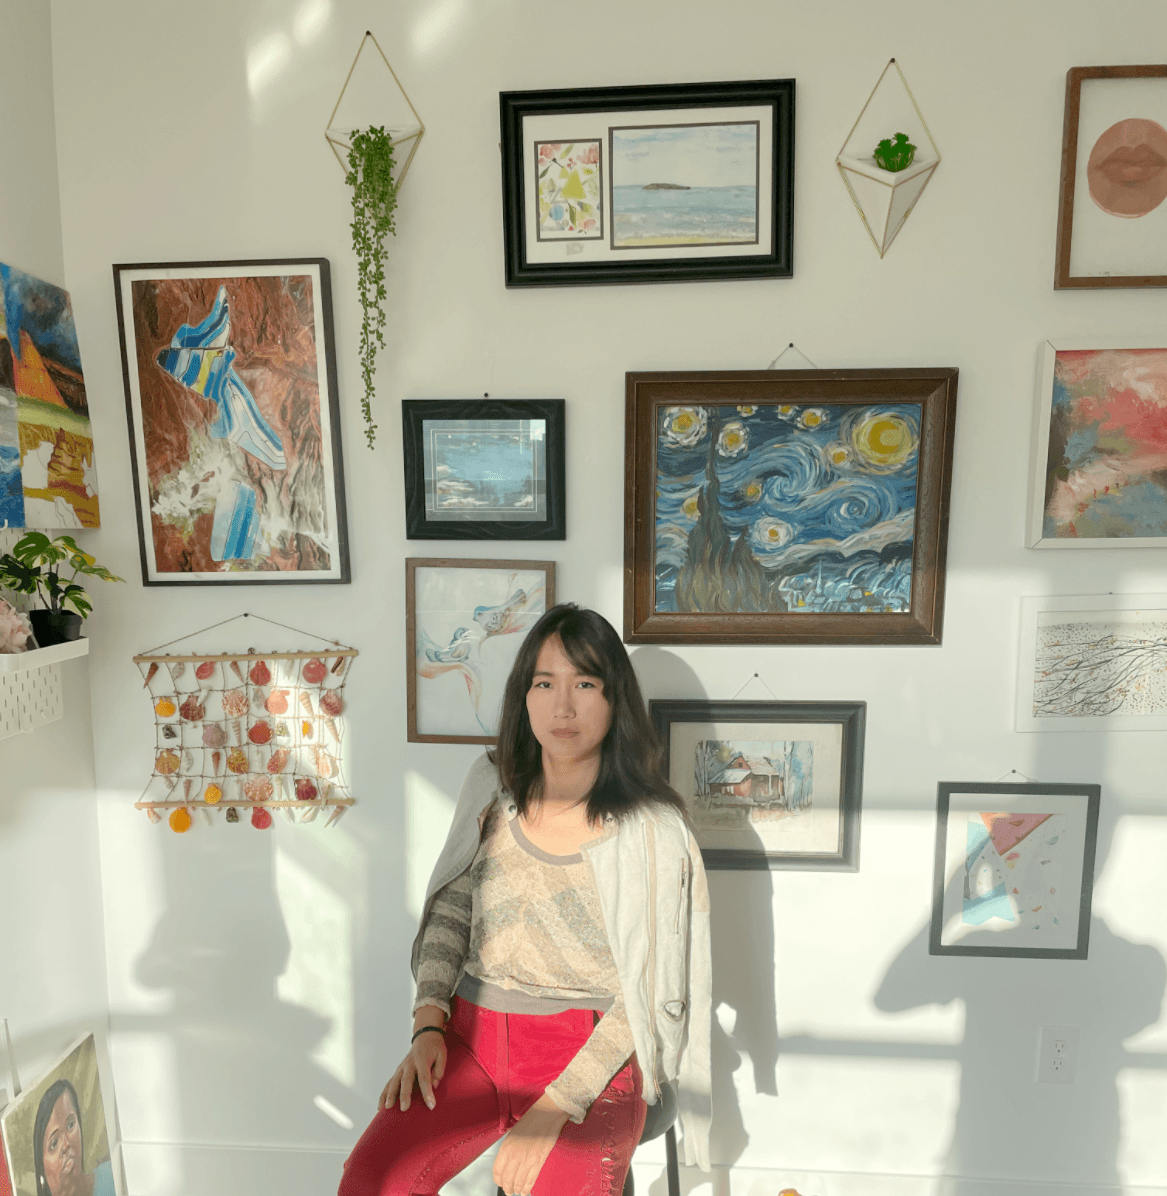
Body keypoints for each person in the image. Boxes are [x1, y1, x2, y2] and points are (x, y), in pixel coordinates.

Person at [340, 604, 712, 1196]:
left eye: (585, 684)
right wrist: (428, 1025)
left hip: (596, 1053)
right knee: (372, 1181)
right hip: (471, 1040)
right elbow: (452, 910)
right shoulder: (491, 784)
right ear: (524, 694)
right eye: (545, 684)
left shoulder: (653, 827)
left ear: (615, 699)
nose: (563, 707)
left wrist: (557, 1105)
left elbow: (649, 990)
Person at [32, 1079, 115, 1196]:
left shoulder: (111, 1175)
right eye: (54, 1143)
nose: (66, 1145)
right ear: (41, 1168)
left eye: (70, 1125)